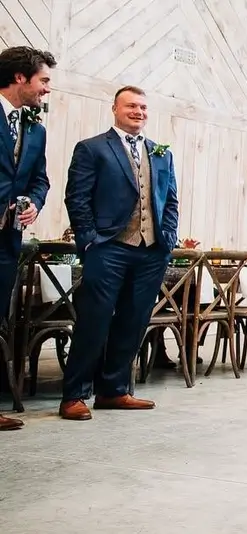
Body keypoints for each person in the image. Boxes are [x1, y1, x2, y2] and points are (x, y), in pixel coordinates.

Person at [60, 85, 179, 421]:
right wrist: (89, 240)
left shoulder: (160, 152)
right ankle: (74, 395)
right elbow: (77, 199)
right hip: (108, 247)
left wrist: (168, 237)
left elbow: (170, 199)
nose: (138, 112)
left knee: (133, 320)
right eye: (131, 106)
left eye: (143, 107)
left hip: (151, 250)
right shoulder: (92, 148)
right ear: (114, 108)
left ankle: (113, 391)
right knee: (94, 321)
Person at [0, 46, 53, 430]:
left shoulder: (35, 128)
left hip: (8, 242)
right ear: (21, 77)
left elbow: (40, 179)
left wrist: (34, 202)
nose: (46, 89)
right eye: (44, 80)